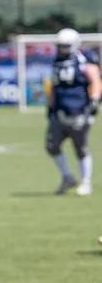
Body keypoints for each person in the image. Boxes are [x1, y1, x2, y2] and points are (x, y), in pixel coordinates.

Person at [46, 28, 101, 196]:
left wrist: (94, 101)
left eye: (65, 46)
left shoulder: (84, 59)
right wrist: (50, 106)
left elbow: (95, 80)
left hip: (79, 110)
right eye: (60, 46)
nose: (62, 49)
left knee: (80, 148)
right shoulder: (56, 60)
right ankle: (67, 177)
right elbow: (53, 86)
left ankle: (85, 182)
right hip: (60, 110)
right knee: (51, 145)